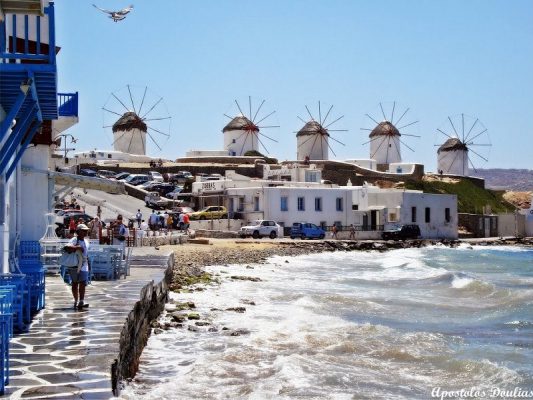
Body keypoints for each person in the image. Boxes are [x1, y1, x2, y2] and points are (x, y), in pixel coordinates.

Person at [63, 223, 90, 309]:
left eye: (86, 231)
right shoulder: (74, 240)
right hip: (75, 265)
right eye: (83, 231)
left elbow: (86, 253)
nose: (85, 232)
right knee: (75, 283)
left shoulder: (86, 241)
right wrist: (77, 247)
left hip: (84, 264)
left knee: (83, 283)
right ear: (78, 231)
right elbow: (66, 248)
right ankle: (76, 300)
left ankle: (81, 301)